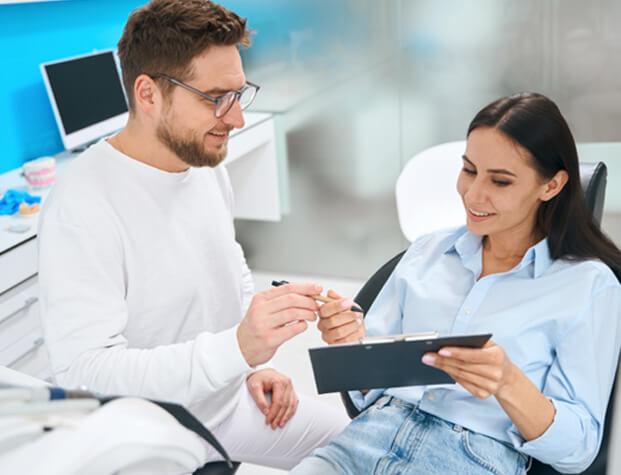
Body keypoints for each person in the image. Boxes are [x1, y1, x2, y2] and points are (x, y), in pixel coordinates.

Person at [37, 0, 347, 469]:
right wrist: (237, 349)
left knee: (364, 447)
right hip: (147, 428)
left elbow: (230, 265)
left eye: (239, 94)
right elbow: (88, 374)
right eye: (215, 98)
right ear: (148, 94)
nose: (236, 118)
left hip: (226, 404)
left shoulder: (200, 161)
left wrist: (253, 364)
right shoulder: (82, 204)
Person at [292, 92, 621, 474]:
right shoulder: (427, 252)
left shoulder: (588, 285)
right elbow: (366, 396)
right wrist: (349, 344)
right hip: (366, 440)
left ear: (551, 186)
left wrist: (508, 382)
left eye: (500, 181)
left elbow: (579, 450)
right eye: (468, 170)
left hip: (471, 458)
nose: (473, 194)